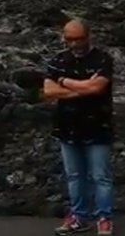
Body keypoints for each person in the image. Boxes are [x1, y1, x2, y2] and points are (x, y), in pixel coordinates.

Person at [43, 19, 116, 236]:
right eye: (70, 39)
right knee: (75, 176)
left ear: (89, 36)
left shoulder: (103, 59)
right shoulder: (58, 60)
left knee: (100, 176)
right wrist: (81, 89)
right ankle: (79, 216)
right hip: (67, 127)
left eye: (79, 39)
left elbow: (96, 87)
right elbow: (48, 91)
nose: (74, 44)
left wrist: (63, 81)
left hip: (97, 126)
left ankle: (104, 218)